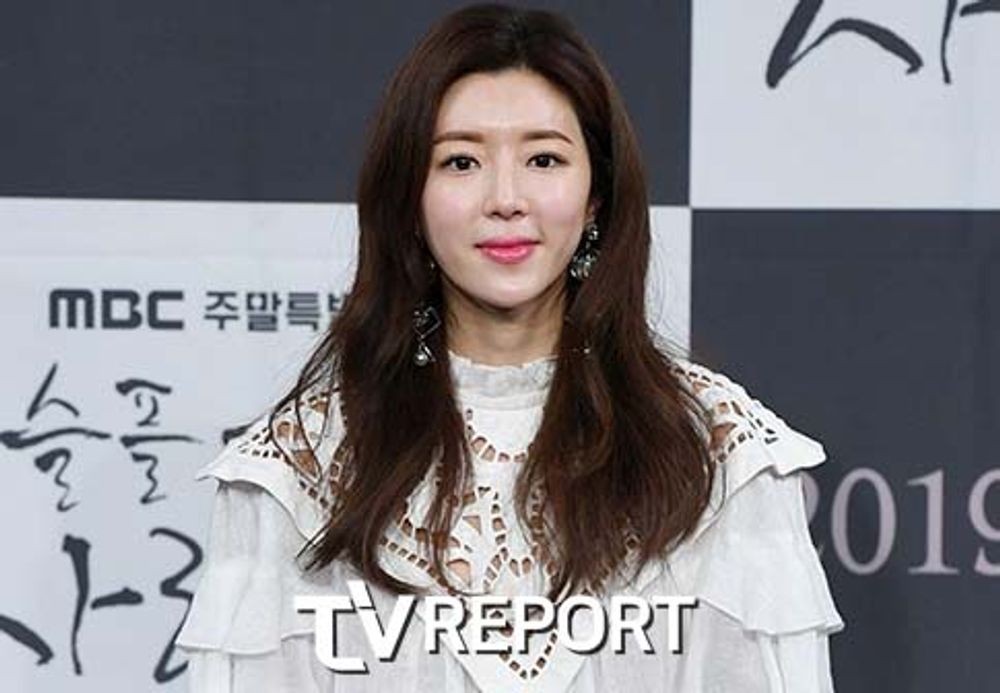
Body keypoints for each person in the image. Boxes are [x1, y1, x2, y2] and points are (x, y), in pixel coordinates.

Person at [175, 3, 843, 691]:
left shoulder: (715, 454)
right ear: (410, 199)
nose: (505, 198)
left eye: (543, 158)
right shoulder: (302, 467)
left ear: (596, 197)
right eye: (461, 161)